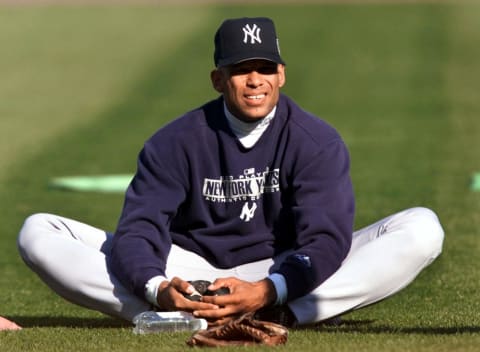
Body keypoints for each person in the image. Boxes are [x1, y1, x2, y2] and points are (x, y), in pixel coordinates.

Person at [17, 17, 444, 327]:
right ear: (217, 79)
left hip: (281, 273)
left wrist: (271, 289)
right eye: (241, 70)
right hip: (189, 272)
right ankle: (178, 315)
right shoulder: (175, 141)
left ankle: (274, 315)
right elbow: (140, 228)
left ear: (282, 75)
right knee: (38, 231)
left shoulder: (316, 141)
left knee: (423, 228)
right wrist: (157, 287)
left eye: (264, 68)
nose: (254, 80)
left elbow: (326, 238)